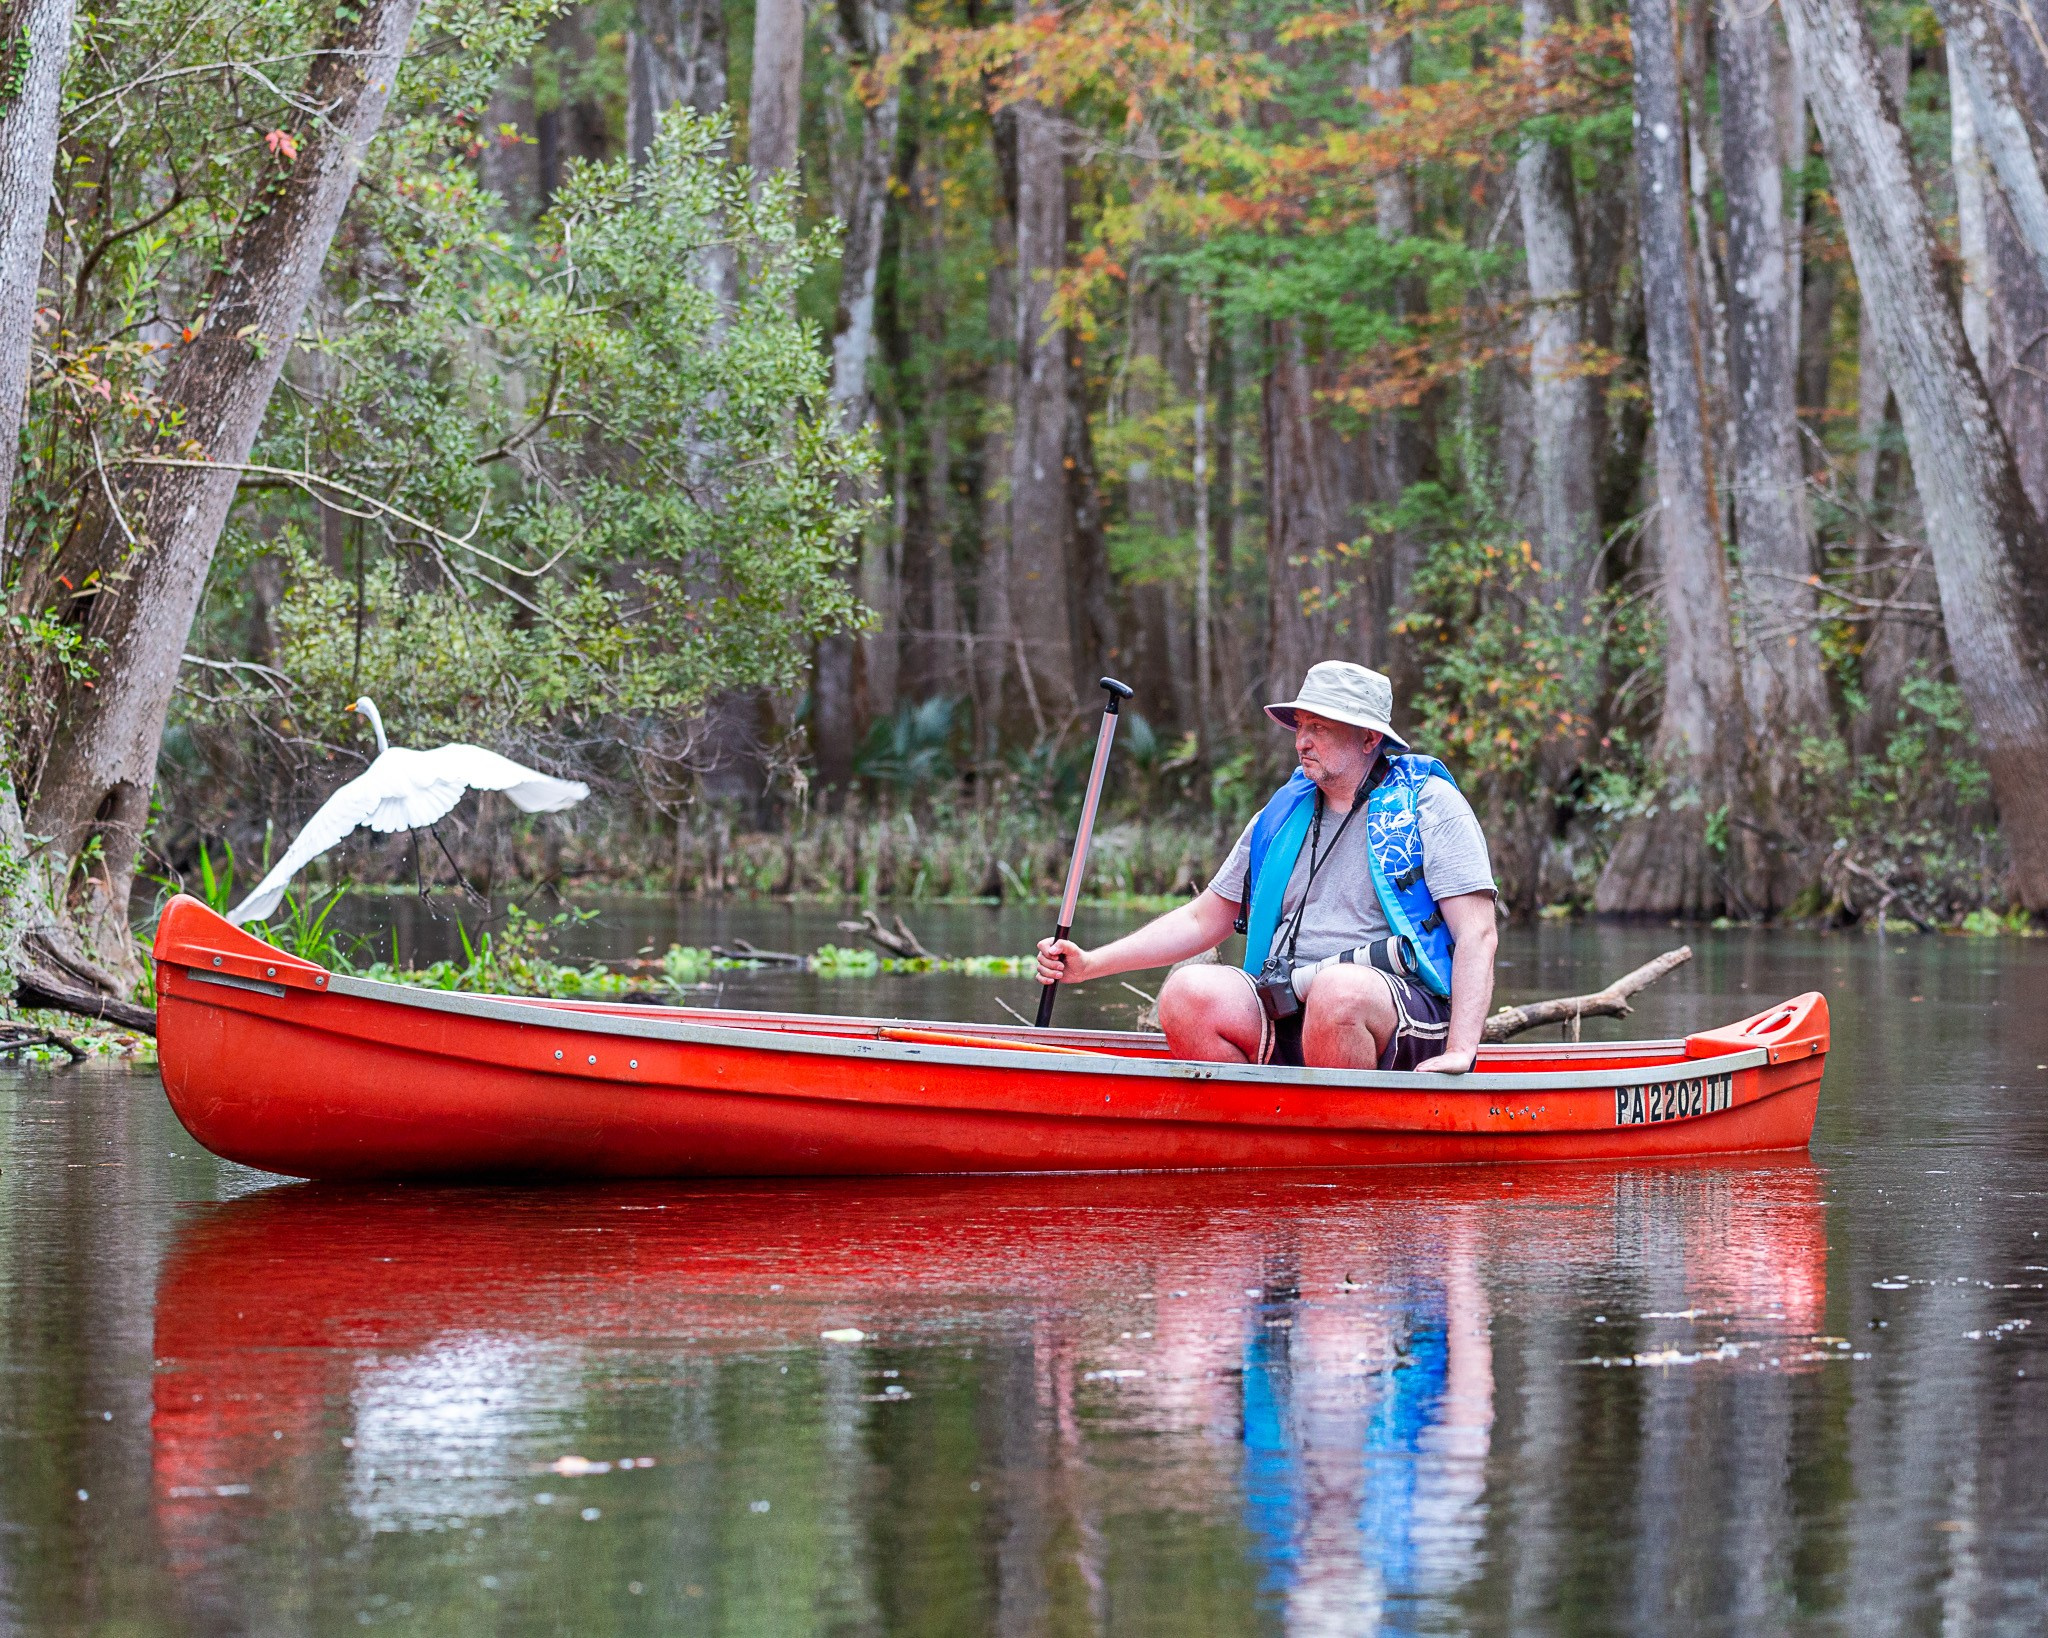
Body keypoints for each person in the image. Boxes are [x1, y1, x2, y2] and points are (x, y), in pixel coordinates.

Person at [1035, 661, 1498, 1072]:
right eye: (1299, 726)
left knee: (1337, 993)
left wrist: (1462, 1050)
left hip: (1396, 1018)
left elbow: (1477, 933)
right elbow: (1204, 917)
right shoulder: (1283, 814)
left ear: (1369, 738)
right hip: (1286, 1003)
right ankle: (1256, 1141)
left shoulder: (1431, 805)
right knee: (1187, 993)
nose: (1302, 741)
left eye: (1319, 727)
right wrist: (1090, 964)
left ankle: (1348, 1146)